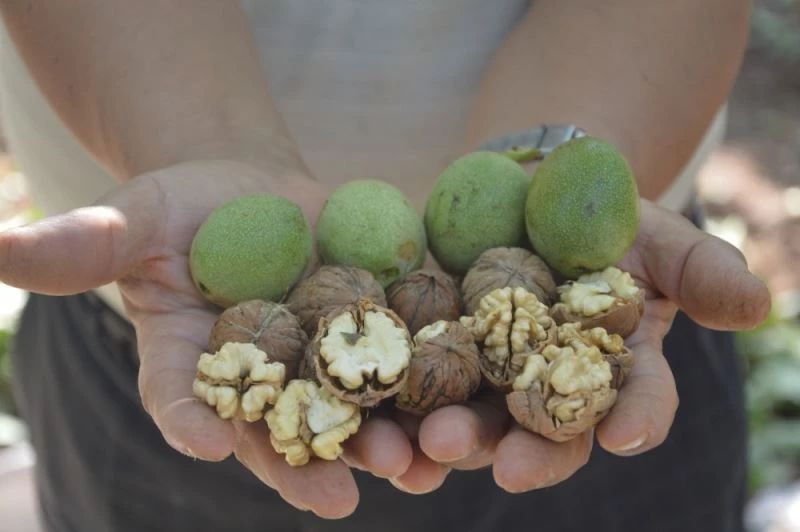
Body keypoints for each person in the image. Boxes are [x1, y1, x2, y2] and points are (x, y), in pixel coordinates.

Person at [0, 1, 771, 531]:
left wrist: (547, 155)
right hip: (151, 342)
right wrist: (201, 149)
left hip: (622, 328)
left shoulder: (564, 309)